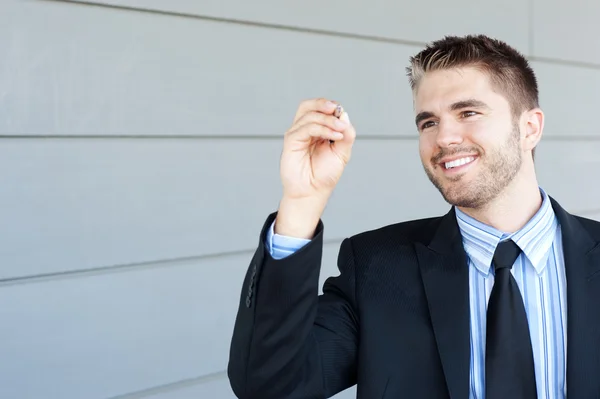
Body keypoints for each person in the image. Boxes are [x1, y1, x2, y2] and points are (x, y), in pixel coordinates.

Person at [227, 34, 600, 399]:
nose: (444, 138)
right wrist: (302, 201)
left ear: (529, 127)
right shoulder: (377, 268)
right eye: (428, 122)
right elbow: (270, 387)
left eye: (468, 112)